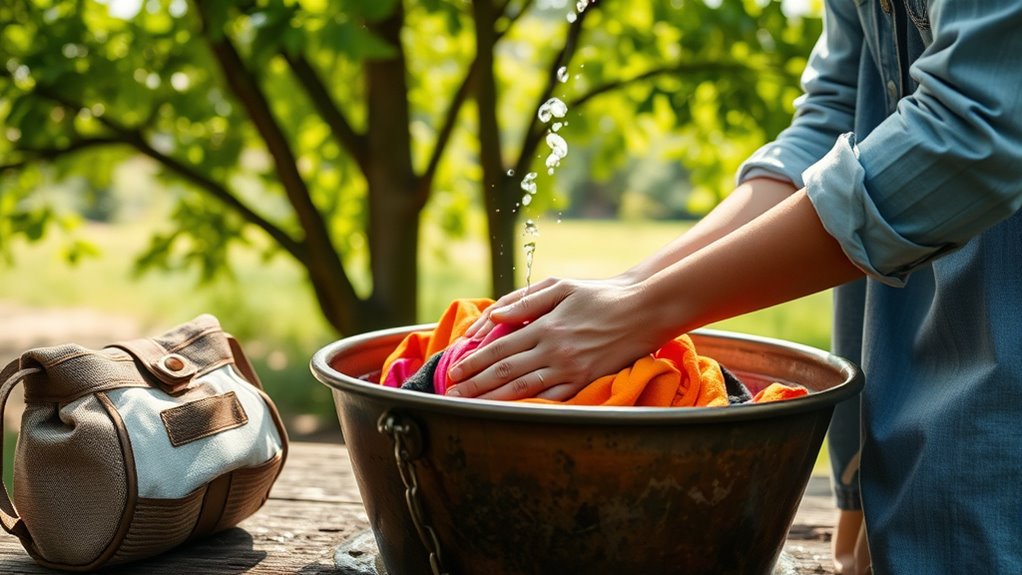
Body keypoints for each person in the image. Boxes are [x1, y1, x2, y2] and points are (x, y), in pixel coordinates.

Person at [443, 1, 1022, 573]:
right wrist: (629, 289)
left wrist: (643, 310)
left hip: (993, 438)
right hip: (895, 432)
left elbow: (973, 134)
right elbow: (833, 121)